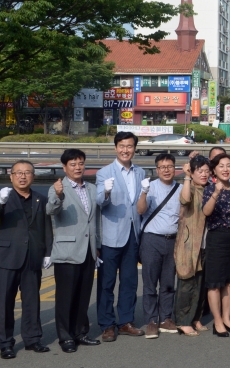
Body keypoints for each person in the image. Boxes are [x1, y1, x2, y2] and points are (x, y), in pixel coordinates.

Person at [0, 160, 52, 358]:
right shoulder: (3, 197)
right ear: (11, 176)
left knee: (32, 301)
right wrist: (2, 202)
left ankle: (33, 339)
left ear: (33, 176)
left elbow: (46, 228)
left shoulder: (40, 199)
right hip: (7, 257)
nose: (22, 176)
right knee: (5, 303)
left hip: (32, 256)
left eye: (27, 173)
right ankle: (5, 343)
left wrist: (48, 252)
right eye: (18, 173)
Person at [47, 149, 101, 353]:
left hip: (88, 250)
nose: (78, 167)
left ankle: (80, 332)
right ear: (64, 167)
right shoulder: (58, 188)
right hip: (67, 250)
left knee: (83, 295)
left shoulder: (92, 188)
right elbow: (50, 211)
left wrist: (98, 246)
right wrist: (58, 196)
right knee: (65, 296)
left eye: (80, 163)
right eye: (73, 164)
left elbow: (96, 219)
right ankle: (65, 336)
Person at [96, 131, 147, 341]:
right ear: (116, 148)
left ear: (135, 148)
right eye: (122, 146)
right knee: (106, 283)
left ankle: (125, 321)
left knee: (129, 281)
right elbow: (100, 201)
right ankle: (107, 324)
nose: (125, 150)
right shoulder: (104, 173)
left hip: (133, 235)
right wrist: (106, 192)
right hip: (111, 235)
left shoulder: (140, 172)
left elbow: (141, 205)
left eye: (129, 146)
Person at [136, 154, 182, 339]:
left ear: (174, 168)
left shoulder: (180, 189)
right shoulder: (150, 187)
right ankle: (151, 321)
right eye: (162, 167)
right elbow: (140, 210)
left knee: (168, 283)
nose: (166, 169)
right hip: (151, 240)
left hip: (172, 240)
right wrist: (144, 192)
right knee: (149, 283)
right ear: (157, 169)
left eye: (169, 166)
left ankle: (166, 318)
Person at [202, 153, 230, 336]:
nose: (225, 169)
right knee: (215, 283)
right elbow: (206, 212)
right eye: (221, 166)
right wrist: (217, 193)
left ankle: (227, 318)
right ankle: (217, 321)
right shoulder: (210, 189)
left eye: (228, 166)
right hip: (217, 237)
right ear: (214, 170)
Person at [173, 155, 210, 336]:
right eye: (199, 171)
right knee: (187, 282)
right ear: (192, 173)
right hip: (189, 243)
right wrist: (186, 176)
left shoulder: (209, 189)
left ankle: (195, 317)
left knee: (201, 283)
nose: (203, 174)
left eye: (206, 171)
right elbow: (185, 200)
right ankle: (182, 320)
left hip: (205, 244)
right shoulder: (190, 188)